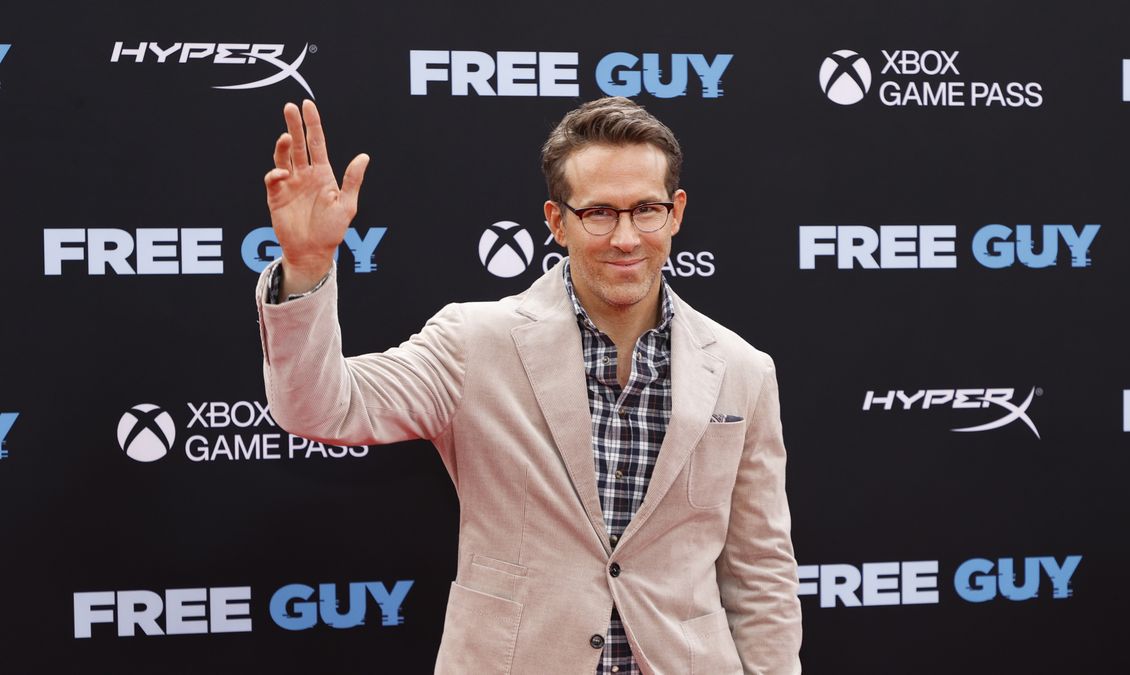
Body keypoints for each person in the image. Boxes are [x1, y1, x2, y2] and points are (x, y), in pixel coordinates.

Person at [255, 97, 802, 674]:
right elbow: (320, 409)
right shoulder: (474, 343)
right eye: (598, 212)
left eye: (646, 209)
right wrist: (308, 265)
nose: (625, 238)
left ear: (676, 213)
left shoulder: (743, 369)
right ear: (556, 221)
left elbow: (760, 570)